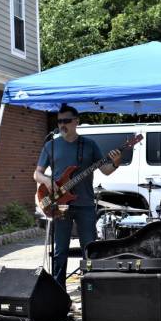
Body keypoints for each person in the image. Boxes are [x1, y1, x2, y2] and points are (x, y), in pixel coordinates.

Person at [34, 104, 121, 289]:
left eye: (66, 121)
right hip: (60, 205)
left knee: (90, 248)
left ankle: (92, 287)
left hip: (86, 204)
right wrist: (49, 182)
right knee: (60, 251)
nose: (62, 125)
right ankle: (59, 293)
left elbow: (105, 170)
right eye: (59, 121)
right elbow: (37, 174)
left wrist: (115, 163)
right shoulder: (51, 145)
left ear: (76, 122)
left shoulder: (89, 145)